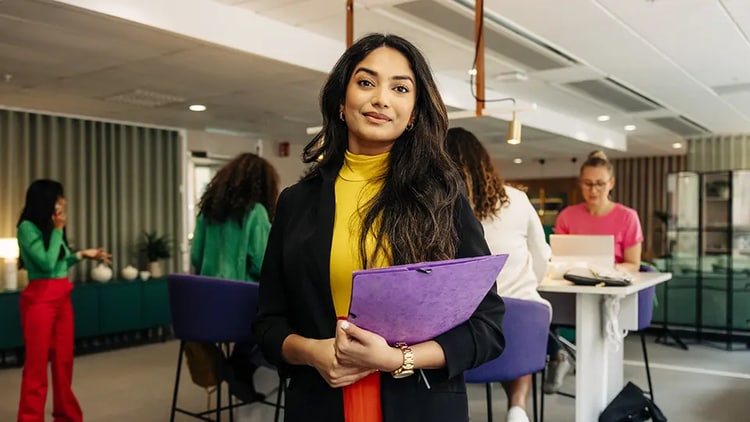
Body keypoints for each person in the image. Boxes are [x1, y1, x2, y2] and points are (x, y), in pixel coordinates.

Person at [253, 33, 505, 422]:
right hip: (320, 404)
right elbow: (268, 324)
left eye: (400, 88)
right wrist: (313, 352)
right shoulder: (296, 202)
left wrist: (397, 359)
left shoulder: (442, 198)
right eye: (366, 82)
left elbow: (487, 328)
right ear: (341, 102)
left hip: (420, 406)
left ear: (415, 111)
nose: (381, 98)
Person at [445, 127, 550, 422]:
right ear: (484, 162)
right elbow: (541, 255)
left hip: (464, 335)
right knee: (516, 318)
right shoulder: (517, 199)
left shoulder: (437, 206)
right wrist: (531, 285)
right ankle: (518, 407)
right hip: (522, 324)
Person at [543, 150, 644, 394]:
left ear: (611, 183)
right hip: (571, 287)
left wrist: (605, 271)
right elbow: (558, 257)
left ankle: (589, 372)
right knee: (540, 305)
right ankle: (559, 357)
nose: (593, 190)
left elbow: (634, 263)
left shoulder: (627, 217)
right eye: (587, 184)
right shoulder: (568, 215)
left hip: (609, 293)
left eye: (599, 184)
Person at [16, 179, 111, 422]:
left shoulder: (51, 226)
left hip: (61, 298)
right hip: (39, 301)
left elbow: (60, 263)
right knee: (37, 367)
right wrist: (58, 229)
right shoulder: (27, 227)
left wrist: (83, 254)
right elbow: (46, 264)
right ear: (46, 200)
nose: (64, 202)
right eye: (59, 197)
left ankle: (66, 416)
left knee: (63, 363)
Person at [189, 152, 280, 404]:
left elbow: (196, 257)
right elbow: (265, 265)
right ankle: (241, 365)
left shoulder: (207, 212)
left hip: (204, 312)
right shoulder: (257, 213)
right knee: (283, 319)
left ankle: (234, 365)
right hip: (238, 313)